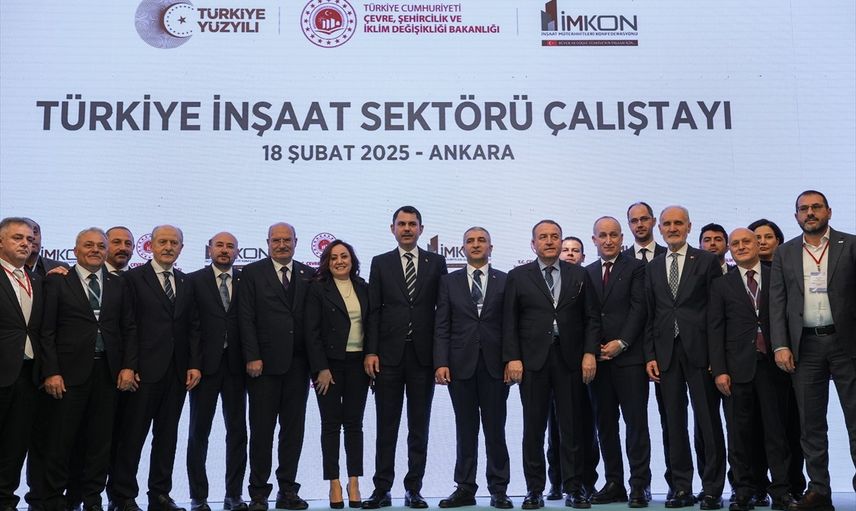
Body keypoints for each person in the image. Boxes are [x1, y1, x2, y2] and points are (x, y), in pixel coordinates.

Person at [26, 228, 136, 511]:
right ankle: (53, 498)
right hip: (67, 375)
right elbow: (46, 331)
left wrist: (128, 366)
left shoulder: (118, 283)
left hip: (108, 374)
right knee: (60, 441)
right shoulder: (57, 281)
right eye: (89, 245)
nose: (95, 250)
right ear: (75, 250)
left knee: (100, 442)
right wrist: (51, 371)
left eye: (100, 245)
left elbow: (128, 328)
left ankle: (92, 498)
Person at [503, 219, 600, 510]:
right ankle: (534, 490)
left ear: (560, 241)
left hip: (570, 359)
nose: (549, 241)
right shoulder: (518, 276)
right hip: (532, 362)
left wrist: (589, 353)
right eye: (543, 237)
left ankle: (574, 489)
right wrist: (513, 357)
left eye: (554, 236)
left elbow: (592, 318)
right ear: (533, 244)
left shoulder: (579, 274)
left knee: (571, 428)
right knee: (533, 429)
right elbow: (509, 321)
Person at [770, 190, 856, 511]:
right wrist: (781, 344)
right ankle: (819, 491)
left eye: (816, 207)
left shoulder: (851, 244)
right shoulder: (785, 252)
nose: (810, 213)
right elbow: (777, 302)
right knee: (811, 425)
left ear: (829, 212)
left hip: (847, 344)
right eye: (803, 208)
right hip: (805, 347)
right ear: (796, 216)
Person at [108, 225, 201, 511]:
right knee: (131, 437)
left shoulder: (185, 282)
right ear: (151, 246)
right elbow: (127, 325)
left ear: (181, 248)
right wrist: (129, 365)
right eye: (163, 242)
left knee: (167, 437)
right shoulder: (132, 279)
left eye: (174, 243)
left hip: (176, 373)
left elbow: (193, 327)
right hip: (142, 373)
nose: (168, 247)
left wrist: (194, 364)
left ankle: (159, 494)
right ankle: (123, 496)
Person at [362, 206, 448, 510]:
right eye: (402, 224)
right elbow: (373, 311)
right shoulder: (380, 262)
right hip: (388, 357)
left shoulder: (436, 262)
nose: (407, 228)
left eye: (413, 224)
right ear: (393, 229)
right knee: (386, 427)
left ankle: (414, 489)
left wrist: (440, 357)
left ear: (421, 229)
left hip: (423, 357)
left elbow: (443, 312)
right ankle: (381, 489)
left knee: (418, 428)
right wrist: (371, 351)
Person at [644, 206, 725, 510]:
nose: (672, 228)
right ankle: (681, 487)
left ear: (689, 227)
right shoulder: (652, 266)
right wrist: (650, 355)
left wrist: (716, 356)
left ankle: (713, 488)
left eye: (678, 223)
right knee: (673, 424)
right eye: (667, 224)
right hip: (666, 355)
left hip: (701, 353)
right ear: (659, 228)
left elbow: (717, 313)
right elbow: (650, 314)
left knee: (708, 422)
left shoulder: (706, 261)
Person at [708, 228, 794, 511]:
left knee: (776, 432)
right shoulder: (721, 285)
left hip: (773, 366)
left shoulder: (776, 275)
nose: (741, 246)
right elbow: (715, 329)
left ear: (758, 244)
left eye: (747, 241)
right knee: (739, 434)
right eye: (735, 243)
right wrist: (719, 370)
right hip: (736, 370)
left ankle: (781, 491)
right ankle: (743, 491)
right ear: (730, 250)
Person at [433, 227, 512, 510]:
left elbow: (510, 325)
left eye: (481, 240)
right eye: (470, 241)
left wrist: (511, 359)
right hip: (459, 366)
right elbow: (442, 324)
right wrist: (441, 362)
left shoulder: (506, 280)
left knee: (495, 430)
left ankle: (499, 489)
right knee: (465, 429)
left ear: (491, 247)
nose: (476, 245)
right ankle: (465, 488)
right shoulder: (448, 282)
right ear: (463, 248)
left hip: (495, 366)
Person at [240, 223, 314, 511]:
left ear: (296, 242)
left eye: (287, 240)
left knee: (293, 432)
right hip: (263, 367)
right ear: (267, 242)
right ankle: (259, 493)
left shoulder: (308, 274)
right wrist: (252, 356)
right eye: (276, 240)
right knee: (261, 432)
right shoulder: (252, 272)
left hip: (299, 366)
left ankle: (287, 491)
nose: (282, 245)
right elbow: (245, 317)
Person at [585, 217, 651, 508]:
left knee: (636, 424)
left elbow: (640, 309)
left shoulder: (637, 268)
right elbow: (586, 316)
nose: (608, 240)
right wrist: (592, 349)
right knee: (605, 425)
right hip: (598, 362)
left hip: (630, 359)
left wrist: (621, 342)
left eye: (613, 235)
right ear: (594, 240)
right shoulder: (586, 272)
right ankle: (614, 483)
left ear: (622, 238)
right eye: (603, 235)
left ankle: (639, 485)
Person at [305, 240, 370, 509]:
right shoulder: (317, 289)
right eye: (334, 258)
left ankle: (354, 481)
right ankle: (334, 482)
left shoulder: (363, 287)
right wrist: (320, 368)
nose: (340, 261)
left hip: (358, 365)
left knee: (354, 424)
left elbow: (372, 325)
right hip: (328, 367)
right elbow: (311, 332)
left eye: (344, 256)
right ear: (327, 262)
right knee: (330, 425)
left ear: (352, 260)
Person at [186, 233, 248, 511]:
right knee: (198, 433)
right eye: (219, 245)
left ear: (237, 252)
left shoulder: (246, 280)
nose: (224, 250)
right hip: (204, 368)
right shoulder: (193, 280)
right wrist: (193, 363)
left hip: (237, 367)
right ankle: (198, 497)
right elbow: (190, 326)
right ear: (209, 249)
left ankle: (234, 495)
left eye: (230, 246)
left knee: (238, 432)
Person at [0, 218, 44, 511]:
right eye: (18, 238)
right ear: (1, 241)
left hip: (28, 375)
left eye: (29, 239)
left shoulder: (36, 279)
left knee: (15, 446)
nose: (25, 244)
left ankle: (6, 500)